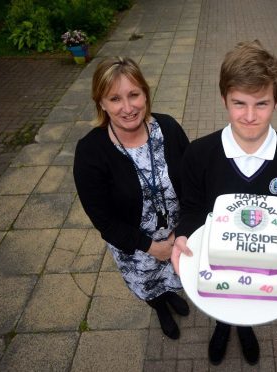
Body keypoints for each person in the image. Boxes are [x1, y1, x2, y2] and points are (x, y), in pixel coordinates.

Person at [170, 40, 277, 365]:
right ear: (224, 99)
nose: (249, 116)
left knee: (252, 299)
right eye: (239, 103)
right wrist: (182, 234)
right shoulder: (199, 153)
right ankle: (222, 326)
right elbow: (193, 207)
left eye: (261, 104)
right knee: (224, 295)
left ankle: (246, 327)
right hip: (220, 256)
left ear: (276, 101)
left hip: (265, 260)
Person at [73, 57, 190, 340]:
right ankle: (160, 307)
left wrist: (182, 232)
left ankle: (170, 296)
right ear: (101, 103)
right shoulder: (91, 152)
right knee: (151, 285)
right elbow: (103, 220)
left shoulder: (169, 129)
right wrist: (151, 246)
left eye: (134, 94)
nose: (127, 108)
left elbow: (193, 184)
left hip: (180, 237)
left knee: (174, 279)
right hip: (136, 247)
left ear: (145, 95)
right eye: (115, 98)